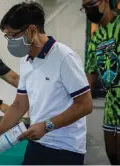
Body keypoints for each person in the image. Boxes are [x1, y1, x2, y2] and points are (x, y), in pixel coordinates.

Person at [0, 2, 93, 165]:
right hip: (37, 144)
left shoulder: (65, 57)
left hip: (64, 149)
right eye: (7, 36)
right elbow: (19, 105)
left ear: (31, 31)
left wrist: (47, 126)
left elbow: (85, 105)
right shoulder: (27, 59)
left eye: (13, 36)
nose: (10, 41)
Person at [82, 0, 120, 164]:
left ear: (104, 2)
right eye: (84, 7)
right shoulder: (96, 38)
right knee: (112, 154)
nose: (88, 10)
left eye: (90, 4)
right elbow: (90, 76)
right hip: (111, 104)